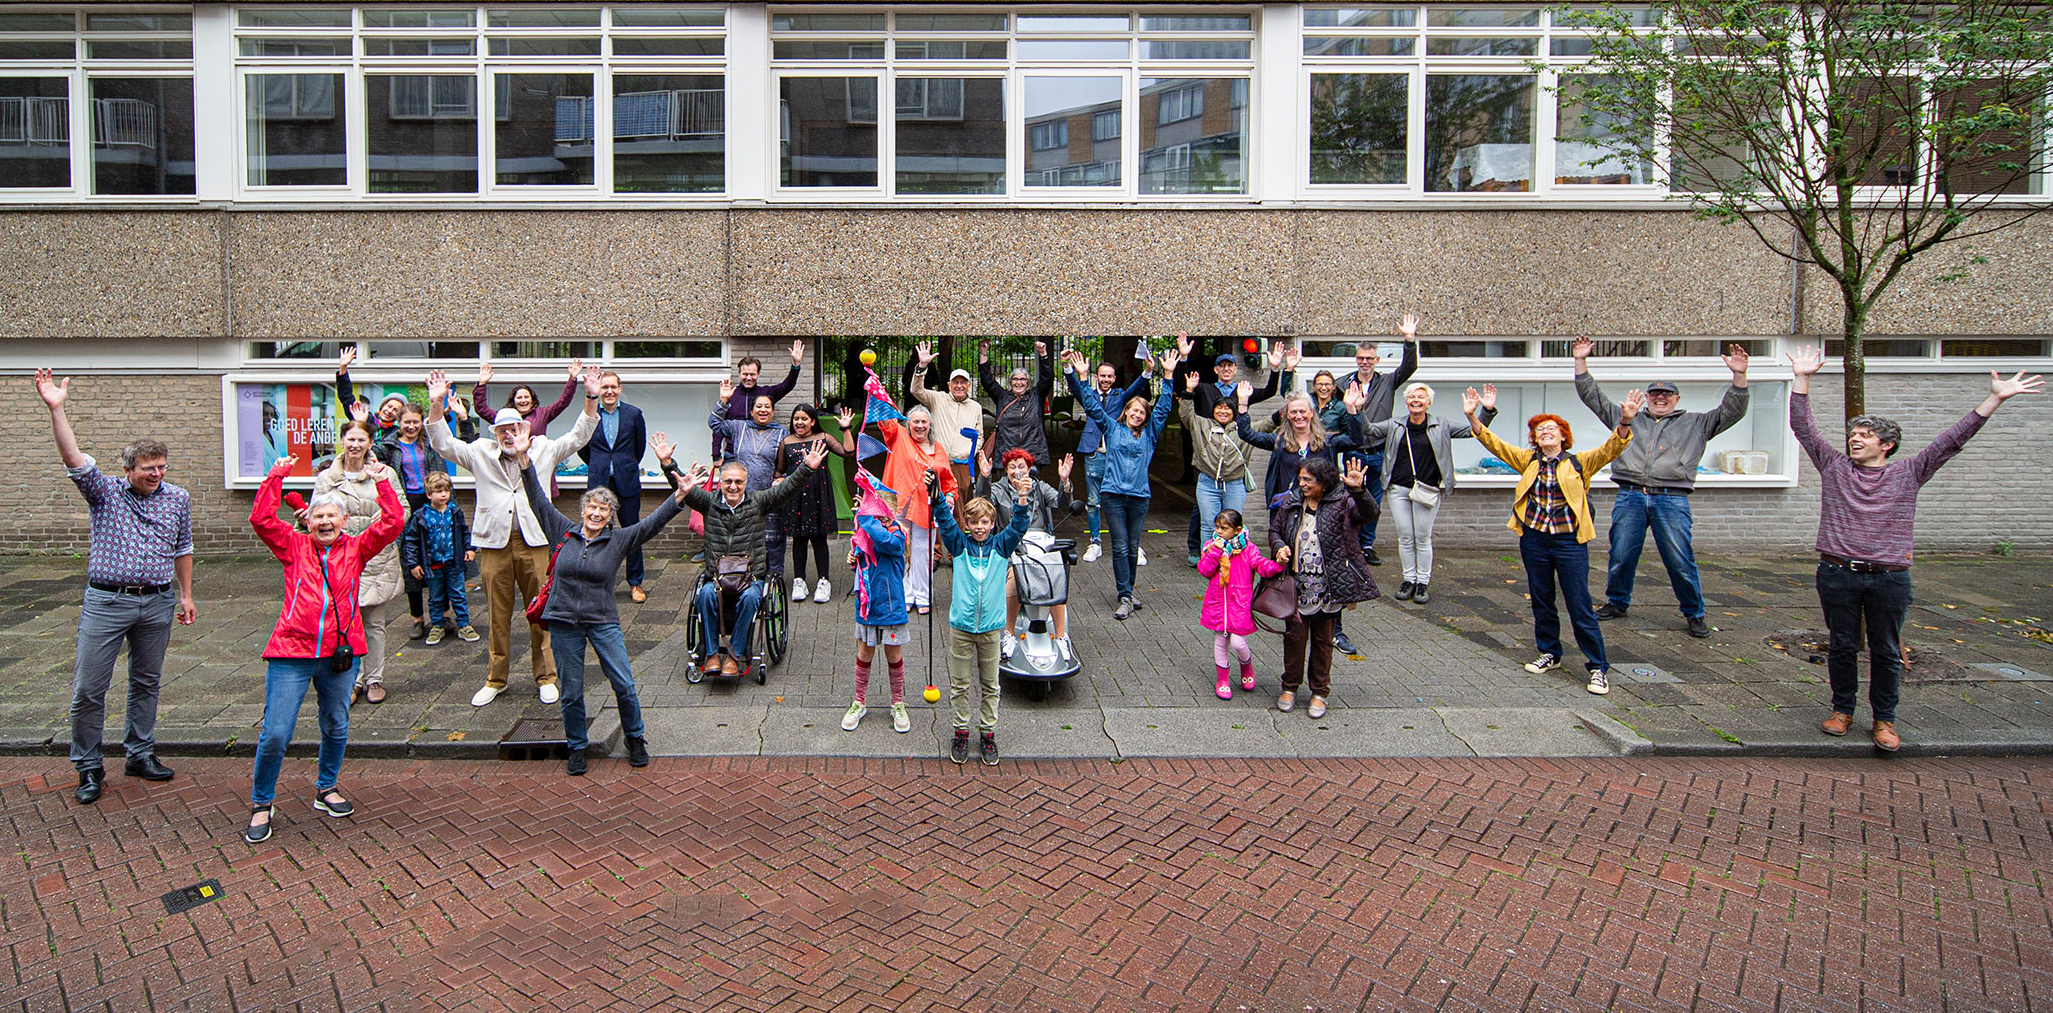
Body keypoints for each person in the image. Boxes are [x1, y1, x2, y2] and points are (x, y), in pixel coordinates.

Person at [1787, 347, 2041, 751]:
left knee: (1886, 650)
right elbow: (1803, 427)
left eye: (1865, 435)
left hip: (1889, 577)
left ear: (1886, 445)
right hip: (1837, 572)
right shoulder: (1834, 467)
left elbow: (1951, 440)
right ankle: (1842, 711)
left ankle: (1884, 720)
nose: (1854, 438)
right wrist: (1802, 378)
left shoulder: (1910, 472)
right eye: (1853, 434)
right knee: (1841, 644)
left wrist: (1994, 398)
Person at [36, 369, 195, 806]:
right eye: (148, 469)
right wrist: (57, 408)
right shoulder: (104, 492)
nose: (156, 475)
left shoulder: (177, 498)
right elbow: (73, 458)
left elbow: (184, 546)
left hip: (158, 601)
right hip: (107, 601)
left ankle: (139, 754)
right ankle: (88, 766)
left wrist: (185, 594)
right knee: (89, 687)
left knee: (147, 682)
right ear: (128, 470)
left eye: (161, 467)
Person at [243, 453, 404, 844]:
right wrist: (277, 475)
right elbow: (261, 519)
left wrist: (382, 480)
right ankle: (262, 802)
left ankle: (326, 788)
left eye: (332, 517)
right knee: (276, 732)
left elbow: (394, 521)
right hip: (291, 654)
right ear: (309, 522)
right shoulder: (292, 547)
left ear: (344, 521)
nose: (326, 522)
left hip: (340, 655)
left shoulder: (357, 548)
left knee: (336, 725)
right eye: (319, 517)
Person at [516, 428, 692, 775]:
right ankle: (576, 745)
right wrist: (524, 459)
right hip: (564, 620)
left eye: (604, 510)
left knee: (624, 683)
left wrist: (679, 493)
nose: (597, 514)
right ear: (583, 510)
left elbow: (654, 523)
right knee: (571, 691)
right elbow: (537, 497)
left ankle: (635, 737)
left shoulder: (619, 539)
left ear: (611, 516)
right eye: (592, 508)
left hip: (602, 620)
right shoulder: (561, 531)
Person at [424, 367, 601, 708]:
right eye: (503, 429)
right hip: (493, 544)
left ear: (525, 427)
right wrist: (435, 405)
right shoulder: (479, 452)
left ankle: (546, 676)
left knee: (541, 611)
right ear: (495, 432)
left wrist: (590, 396)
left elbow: (579, 435)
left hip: (536, 543)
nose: (509, 434)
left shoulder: (543, 449)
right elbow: (442, 442)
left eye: (515, 428)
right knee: (497, 614)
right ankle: (496, 678)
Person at [1463, 384, 1641, 696]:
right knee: (1542, 599)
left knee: (1579, 603)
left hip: (1570, 542)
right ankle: (1550, 653)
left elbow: (1610, 449)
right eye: (1540, 430)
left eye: (1551, 429)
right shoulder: (1528, 460)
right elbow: (1495, 445)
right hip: (1534, 540)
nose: (1545, 432)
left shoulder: (1578, 462)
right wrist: (1473, 416)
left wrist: (1624, 422)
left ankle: (1598, 667)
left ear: (1563, 436)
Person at [1574, 336, 1752, 638]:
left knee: (1680, 559)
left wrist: (1739, 376)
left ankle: (1694, 613)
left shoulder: (1697, 423)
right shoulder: (1628, 419)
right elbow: (1593, 398)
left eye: (1667, 394)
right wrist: (1580, 361)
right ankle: (1617, 603)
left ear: (1676, 400)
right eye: (1655, 393)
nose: (1660, 397)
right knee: (1621, 555)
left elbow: (1732, 411)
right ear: (1647, 396)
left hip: (1672, 500)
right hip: (1630, 496)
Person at [672, 448, 823, 677]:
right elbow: (682, 486)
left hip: (750, 577)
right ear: (720, 483)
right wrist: (667, 463)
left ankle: (735, 655)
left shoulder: (758, 502)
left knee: (753, 597)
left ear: (746, 483)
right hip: (717, 577)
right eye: (728, 481)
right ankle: (712, 653)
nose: (733, 486)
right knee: (704, 595)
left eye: (738, 482)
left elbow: (786, 490)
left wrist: (807, 468)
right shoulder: (708, 503)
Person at [1062, 341, 1182, 620]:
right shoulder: (1113, 429)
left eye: (1142, 412)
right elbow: (1092, 407)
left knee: (1131, 545)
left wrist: (1167, 376)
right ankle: (1124, 595)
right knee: (1118, 546)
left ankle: (1128, 590)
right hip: (1114, 495)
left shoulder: (1150, 434)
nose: (1138, 415)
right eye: (1133, 411)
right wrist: (1082, 377)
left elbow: (1163, 408)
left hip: (1139, 497)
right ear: (1125, 412)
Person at [1356, 382, 1495, 604]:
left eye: (1420, 397)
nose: (1416, 400)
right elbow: (1369, 430)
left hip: (1427, 489)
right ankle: (1408, 579)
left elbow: (1475, 432)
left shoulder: (1441, 425)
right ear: (1406, 401)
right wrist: (1359, 409)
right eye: (1411, 396)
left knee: (1422, 537)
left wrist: (1483, 412)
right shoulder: (1396, 424)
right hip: (1399, 489)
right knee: (1405, 537)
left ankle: (1422, 582)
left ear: (1428, 402)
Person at [1266, 457, 1378, 718]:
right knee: (1294, 638)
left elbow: (1369, 514)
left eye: (1308, 480)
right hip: (1297, 585)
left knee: (1323, 640)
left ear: (1323, 483)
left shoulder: (1343, 502)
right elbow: (1275, 530)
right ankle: (1289, 687)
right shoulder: (1293, 501)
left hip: (1329, 586)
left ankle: (1319, 692)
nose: (1301, 483)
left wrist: (1359, 490)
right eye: (1301, 478)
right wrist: (1279, 547)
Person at [933, 476, 1034, 765]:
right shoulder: (959, 544)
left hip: (991, 630)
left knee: (991, 685)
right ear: (967, 524)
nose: (979, 528)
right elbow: (944, 519)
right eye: (974, 522)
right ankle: (961, 731)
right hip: (961, 629)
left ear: (992, 524)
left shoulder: (1002, 546)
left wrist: (1022, 498)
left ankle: (988, 733)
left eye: (985, 522)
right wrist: (938, 495)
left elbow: (1018, 526)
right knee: (960, 685)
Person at [312, 420, 405, 706]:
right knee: (343, 622)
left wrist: (383, 520)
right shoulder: (327, 477)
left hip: (375, 556)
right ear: (342, 441)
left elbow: (402, 509)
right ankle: (350, 679)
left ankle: (374, 678)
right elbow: (316, 513)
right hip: (339, 558)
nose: (355, 445)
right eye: (350, 439)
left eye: (361, 440)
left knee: (375, 623)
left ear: (369, 443)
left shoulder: (384, 473)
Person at [1184, 340, 1293, 566]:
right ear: (1215, 369)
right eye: (1221, 366)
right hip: (1207, 462)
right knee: (1206, 520)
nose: (1225, 369)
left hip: (1233, 475)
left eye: (1230, 366)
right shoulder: (1204, 391)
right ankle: (1206, 558)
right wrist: (1185, 370)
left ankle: (1231, 560)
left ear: (1235, 369)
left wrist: (1277, 371)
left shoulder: (1243, 404)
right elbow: (1186, 408)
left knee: (1231, 520)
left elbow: (1269, 411)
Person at [974, 447, 1074, 655]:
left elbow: (1061, 503)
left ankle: (1062, 637)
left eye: (1022, 466)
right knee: (1015, 575)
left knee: (1055, 574)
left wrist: (1064, 481)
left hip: (1040, 544)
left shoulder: (1039, 487)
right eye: (1012, 467)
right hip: (1011, 546)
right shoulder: (999, 489)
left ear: (1029, 469)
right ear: (1006, 471)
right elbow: (982, 502)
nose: (1017, 471)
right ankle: (1009, 634)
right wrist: (984, 476)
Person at [1339, 315, 1422, 567]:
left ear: (1376, 360)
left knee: (1373, 502)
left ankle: (1366, 545)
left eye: (1369, 359)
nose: (1365, 362)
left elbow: (1409, 368)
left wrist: (1409, 340)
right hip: (1353, 450)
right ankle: (1349, 544)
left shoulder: (1387, 382)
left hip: (1379, 451)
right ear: (1356, 359)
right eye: (1361, 358)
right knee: (1351, 499)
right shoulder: (1343, 383)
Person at [843, 469, 912, 732]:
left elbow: (883, 543)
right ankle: (859, 702)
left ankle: (897, 703)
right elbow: (861, 557)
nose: (878, 515)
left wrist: (864, 516)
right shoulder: (865, 530)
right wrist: (854, 560)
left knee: (893, 655)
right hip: (867, 605)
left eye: (880, 509)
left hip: (891, 606)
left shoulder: (898, 534)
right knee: (864, 653)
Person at [876, 404, 959, 613]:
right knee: (901, 551)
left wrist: (949, 496)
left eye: (924, 422)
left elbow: (949, 480)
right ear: (908, 423)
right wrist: (876, 389)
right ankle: (904, 594)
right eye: (916, 421)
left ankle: (923, 597)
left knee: (924, 553)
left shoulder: (937, 447)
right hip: (899, 503)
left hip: (926, 507)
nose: (920, 426)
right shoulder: (899, 436)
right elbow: (886, 421)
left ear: (930, 425)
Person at [577, 371, 650, 602]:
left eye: (613, 387)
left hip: (626, 480)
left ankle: (636, 583)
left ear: (620, 389)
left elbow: (639, 448)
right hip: (599, 482)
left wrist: (623, 465)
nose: (608, 391)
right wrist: (599, 464)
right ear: (598, 390)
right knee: (596, 533)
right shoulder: (589, 414)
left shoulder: (633, 414)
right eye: (604, 387)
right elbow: (581, 446)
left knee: (632, 533)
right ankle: (596, 584)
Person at [375, 402, 445, 639]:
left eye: (416, 422)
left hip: (432, 502)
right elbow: (367, 453)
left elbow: (458, 444)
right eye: (407, 422)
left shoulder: (430, 443)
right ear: (400, 423)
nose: (412, 426)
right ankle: (418, 618)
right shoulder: (390, 446)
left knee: (439, 558)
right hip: (407, 505)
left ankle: (442, 614)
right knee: (411, 560)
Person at [1199, 508, 1284, 700]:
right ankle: (1222, 680)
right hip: (1218, 603)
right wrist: (1215, 553)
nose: (1219, 532)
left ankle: (1247, 667)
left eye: (1224, 528)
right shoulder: (1211, 546)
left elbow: (1262, 565)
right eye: (1217, 527)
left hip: (1239, 603)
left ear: (1237, 530)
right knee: (1220, 641)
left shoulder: (1248, 549)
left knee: (1238, 642)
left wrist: (1277, 563)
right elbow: (1204, 570)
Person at [779, 404, 858, 604]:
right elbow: (779, 470)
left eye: (804, 418)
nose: (799, 422)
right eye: (796, 418)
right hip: (795, 496)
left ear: (813, 421)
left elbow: (848, 451)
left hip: (819, 495)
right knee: (798, 539)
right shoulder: (786, 442)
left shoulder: (824, 438)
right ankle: (799, 580)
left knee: (819, 539)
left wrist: (845, 428)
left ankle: (824, 581)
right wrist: (779, 480)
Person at [1075, 360, 1151, 564]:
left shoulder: (1121, 396)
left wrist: (1148, 371)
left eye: (1110, 376)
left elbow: (1137, 388)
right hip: (1094, 451)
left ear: (1114, 378)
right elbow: (1075, 387)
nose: (1106, 379)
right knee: (1093, 500)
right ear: (1096, 377)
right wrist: (1070, 370)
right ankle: (1095, 542)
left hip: (1116, 453)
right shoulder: (1089, 394)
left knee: (1124, 499)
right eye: (1103, 375)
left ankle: (1132, 543)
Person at [710, 386, 790, 579]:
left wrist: (783, 477)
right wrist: (723, 401)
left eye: (767, 407)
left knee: (773, 538)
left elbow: (787, 461)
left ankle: (774, 578)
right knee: (744, 538)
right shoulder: (739, 427)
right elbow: (714, 423)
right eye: (759, 406)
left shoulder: (782, 433)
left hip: (769, 497)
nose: (763, 410)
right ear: (752, 411)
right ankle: (743, 574)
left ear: (772, 411)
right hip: (742, 497)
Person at [1179, 371, 1254, 574]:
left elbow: (1266, 426)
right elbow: (1186, 415)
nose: (1223, 411)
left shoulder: (1242, 429)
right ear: (1213, 411)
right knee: (1208, 524)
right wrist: (1188, 391)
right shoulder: (1202, 425)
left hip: (1234, 484)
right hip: (1207, 483)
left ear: (1234, 411)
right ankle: (1210, 563)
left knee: (1233, 525)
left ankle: (1232, 563)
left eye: (1227, 408)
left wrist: (1281, 415)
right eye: (1219, 408)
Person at [401, 472, 476, 646]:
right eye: (439, 491)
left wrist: (470, 548)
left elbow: (465, 532)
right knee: (435, 596)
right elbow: (411, 541)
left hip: (453, 562)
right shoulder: (421, 516)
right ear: (429, 494)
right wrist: (413, 564)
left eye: (446, 491)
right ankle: (437, 625)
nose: (443, 495)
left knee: (458, 594)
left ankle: (464, 624)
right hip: (432, 564)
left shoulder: (455, 512)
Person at [909, 341, 983, 493]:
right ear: (949, 385)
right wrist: (922, 367)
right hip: (937, 460)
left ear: (968, 386)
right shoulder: (938, 398)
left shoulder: (975, 407)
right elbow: (916, 390)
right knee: (932, 499)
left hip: (961, 463)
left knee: (959, 505)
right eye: (955, 382)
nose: (959, 386)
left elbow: (979, 436)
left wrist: (969, 453)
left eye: (963, 382)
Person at [714, 341, 804, 460]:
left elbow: (787, 385)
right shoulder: (730, 395)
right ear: (739, 374)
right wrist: (716, 455)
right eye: (745, 374)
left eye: (753, 374)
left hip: (760, 454)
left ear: (758, 375)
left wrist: (795, 365)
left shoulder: (766, 394)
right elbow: (717, 426)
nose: (749, 378)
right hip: (732, 454)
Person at [980, 339, 1055, 468]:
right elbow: (987, 381)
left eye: (1022, 379)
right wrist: (984, 353)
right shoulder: (1002, 397)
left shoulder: (1036, 396)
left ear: (1028, 382)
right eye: (1015, 379)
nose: (1018, 382)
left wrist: (1043, 354)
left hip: (1032, 454)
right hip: (1006, 454)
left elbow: (1047, 378)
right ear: (1010, 381)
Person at [473, 357, 582, 435]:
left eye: (526, 397)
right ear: (513, 400)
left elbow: (563, 402)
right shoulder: (504, 416)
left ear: (532, 399)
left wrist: (572, 379)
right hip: (510, 461)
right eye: (519, 397)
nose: (523, 400)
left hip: (536, 461)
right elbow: (481, 409)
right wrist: (482, 384)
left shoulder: (542, 414)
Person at [333, 346, 407, 440]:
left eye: (395, 410)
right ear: (382, 406)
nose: (389, 411)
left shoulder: (397, 432)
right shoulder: (366, 418)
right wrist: (343, 369)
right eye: (389, 406)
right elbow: (346, 397)